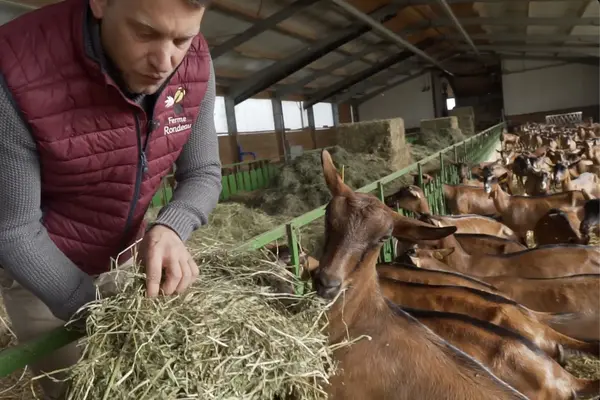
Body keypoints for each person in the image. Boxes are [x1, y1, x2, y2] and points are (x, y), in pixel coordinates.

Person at [0, 0, 221, 397]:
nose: (164, 60)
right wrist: (104, 316)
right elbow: (13, 229)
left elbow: (203, 173)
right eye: (144, 33)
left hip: (129, 258)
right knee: (84, 388)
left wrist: (173, 225)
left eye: (182, 39)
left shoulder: (195, 64)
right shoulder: (14, 73)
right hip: (40, 275)